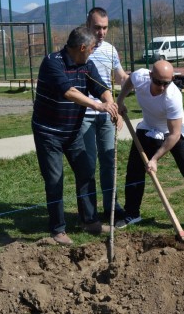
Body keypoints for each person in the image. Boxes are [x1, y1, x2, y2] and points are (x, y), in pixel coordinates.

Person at [32, 26, 119, 246]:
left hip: (72, 132)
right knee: (54, 179)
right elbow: (69, 92)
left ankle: (89, 221)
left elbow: (100, 86)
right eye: (90, 49)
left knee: (86, 172)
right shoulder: (52, 63)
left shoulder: (86, 64)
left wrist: (109, 102)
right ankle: (58, 231)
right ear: (82, 47)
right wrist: (98, 106)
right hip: (48, 133)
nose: (91, 53)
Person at [115, 60, 184, 234]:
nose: (162, 87)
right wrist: (119, 101)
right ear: (150, 76)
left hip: (174, 132)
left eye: (167, 83)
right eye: (158, 82)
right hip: (148, 128)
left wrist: (155, 159)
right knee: (134, 171)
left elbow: (174, 134)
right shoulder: (140, 77)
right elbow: (128, 81)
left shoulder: (172, 96)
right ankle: (132, 213)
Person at [82, 7, 128, 226]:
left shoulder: (110, 50)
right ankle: (89, 213)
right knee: (87, 163)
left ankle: (112, 207)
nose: (101, 32)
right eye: (97, 27)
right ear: (88, 25)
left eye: (105, 28)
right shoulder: (81, 48)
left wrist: (141, 81)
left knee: (109, 160)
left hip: (108, 114)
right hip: (85, 114)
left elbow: (120, 77)